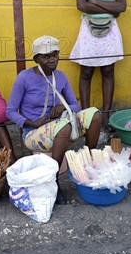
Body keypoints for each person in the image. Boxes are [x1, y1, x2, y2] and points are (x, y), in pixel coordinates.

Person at [7, 35, 102, 203]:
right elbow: (11, 111)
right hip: (33, 133)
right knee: (64, 127)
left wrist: (62, 107)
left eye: (55, 55)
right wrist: (31, 123)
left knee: (94, 115)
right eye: (46, 56)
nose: (52, 60)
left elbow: (75, 105)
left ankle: (89, 163)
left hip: (59, 126)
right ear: (36, 58)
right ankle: (54, 180)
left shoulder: (61, 76)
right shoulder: (24, 77)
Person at [69, 0, 127, 143]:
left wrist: (95, 1)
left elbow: (122, 7)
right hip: (88, 28)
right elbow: (81, 4)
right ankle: (86, 117)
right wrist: (109, 7)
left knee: (108, 70)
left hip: (110, 28)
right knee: (86, 71)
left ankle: (107, 116)